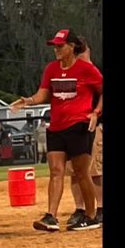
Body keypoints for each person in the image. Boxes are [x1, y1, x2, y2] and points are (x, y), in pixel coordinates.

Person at [11, 28, 103, 232]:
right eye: (55, 46)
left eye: (60, 46)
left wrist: (96, 111)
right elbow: (43, 94)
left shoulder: (86, 69)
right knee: (56, 171)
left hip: (79, 124)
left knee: (81, 172)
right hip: (57, 126)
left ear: (72, 47)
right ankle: (51, 216)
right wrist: (29, 101)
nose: (56, 50)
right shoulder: (51, 69)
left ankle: (91, 215)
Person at [64, 42, 103, 227]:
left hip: (92, 127)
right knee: (74, 171)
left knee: (94, 170)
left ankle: (100, 208)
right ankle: (80, 209)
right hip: (71, 128)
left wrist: (96, 112)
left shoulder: (93, 72)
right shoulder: (70, 73)